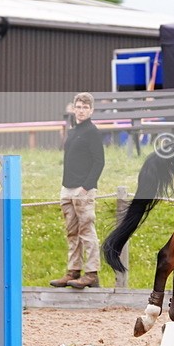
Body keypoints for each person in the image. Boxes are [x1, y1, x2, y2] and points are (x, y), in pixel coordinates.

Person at [50, 92, 106, 289]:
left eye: (85, 107)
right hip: (67, 188)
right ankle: (73, 271)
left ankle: (91, 273)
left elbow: (99, 162)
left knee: (87, 232)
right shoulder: (73, 132)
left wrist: (86, 187)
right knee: (72, 232)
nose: (81, 111)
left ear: (91, 110)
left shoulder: (92, 132)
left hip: (83, 190)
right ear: (73, 109)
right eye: (79, 107)